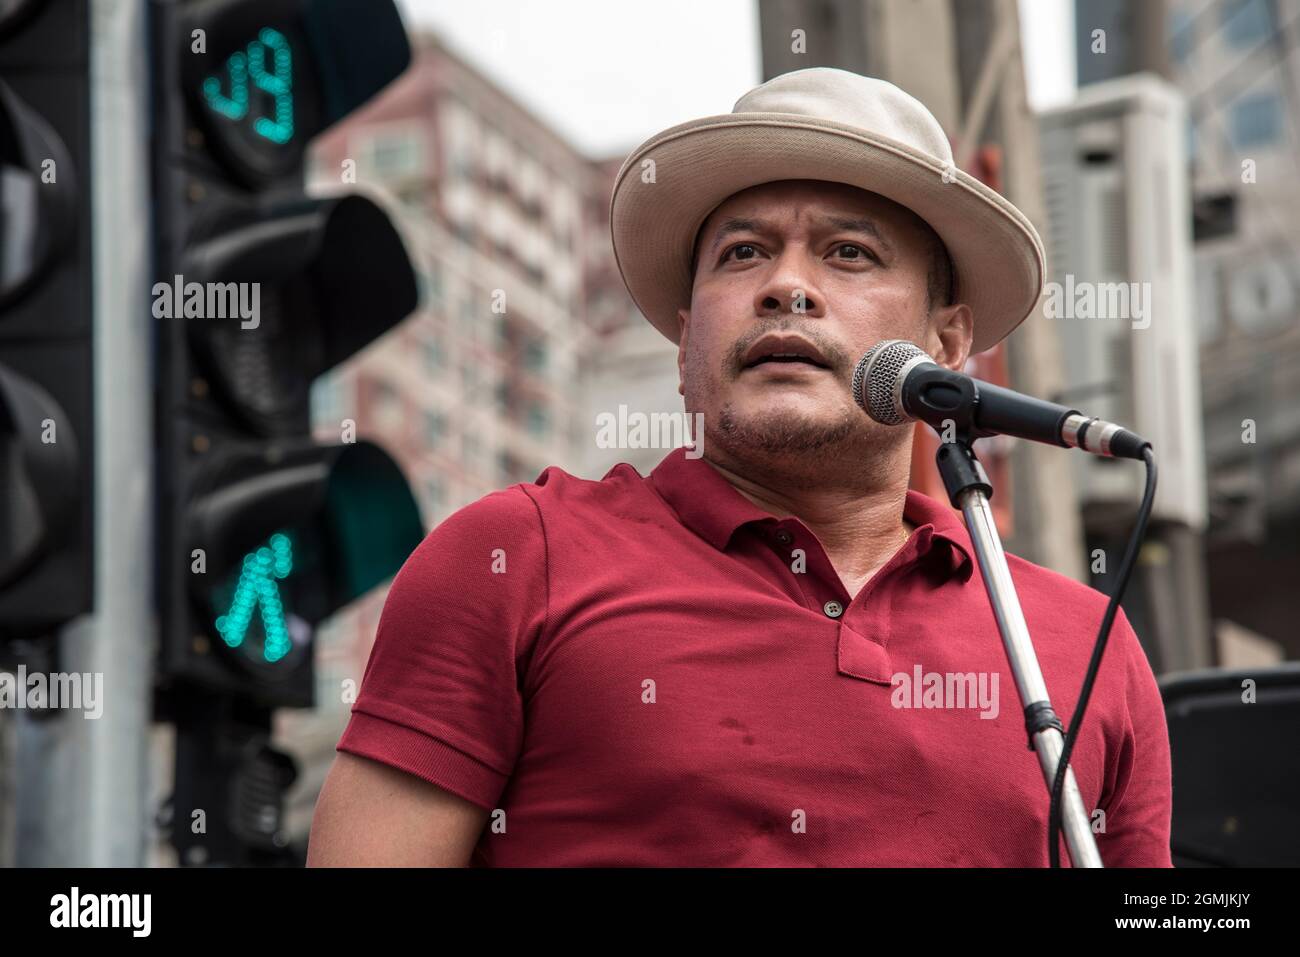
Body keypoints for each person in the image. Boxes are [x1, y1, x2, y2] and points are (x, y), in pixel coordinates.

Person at [307, 68, 1172, 867]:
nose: (785, 286)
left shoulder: (1080, 639)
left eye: (849, 253)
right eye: (743, 253)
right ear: (687, 343)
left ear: (946, 343)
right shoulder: (513, 558)